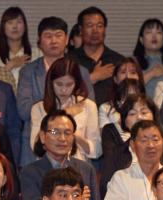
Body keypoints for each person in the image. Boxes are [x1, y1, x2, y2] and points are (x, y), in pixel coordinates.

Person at [16, 16, 86, 164]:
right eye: (48, 36)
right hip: (36, 150)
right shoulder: (28, 72)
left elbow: (84, 105)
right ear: (39, 41)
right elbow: (23, 110)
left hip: (75, 150)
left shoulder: (80, 71)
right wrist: (63, 109)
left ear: (66, 40)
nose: (53, 41)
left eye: (58, 35)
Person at [20, 111, 104, 200]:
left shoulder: (86, 169)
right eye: (55, 132)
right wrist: (73, 199)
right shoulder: (30, 172)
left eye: (67, 133)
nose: (62, 138)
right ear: (43, 136)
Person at [29, 57, 100, 162]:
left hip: (78, 164)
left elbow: (96, 150)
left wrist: (72, 134)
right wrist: (66, 113)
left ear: (76, 83)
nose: (63, 89)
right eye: (59, 84)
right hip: (48, 165)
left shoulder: (88, 106)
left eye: (69, 84)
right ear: (50, 82)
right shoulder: (39, 108)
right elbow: (36, 146)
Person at [68, 7, 125, 106]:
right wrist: (91, 78)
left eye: (99, 26)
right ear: (81, 30)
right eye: (90, 26)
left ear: (105, 30)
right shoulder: (68, 60)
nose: (95, 31)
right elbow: (63, 92)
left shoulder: (118, 60)